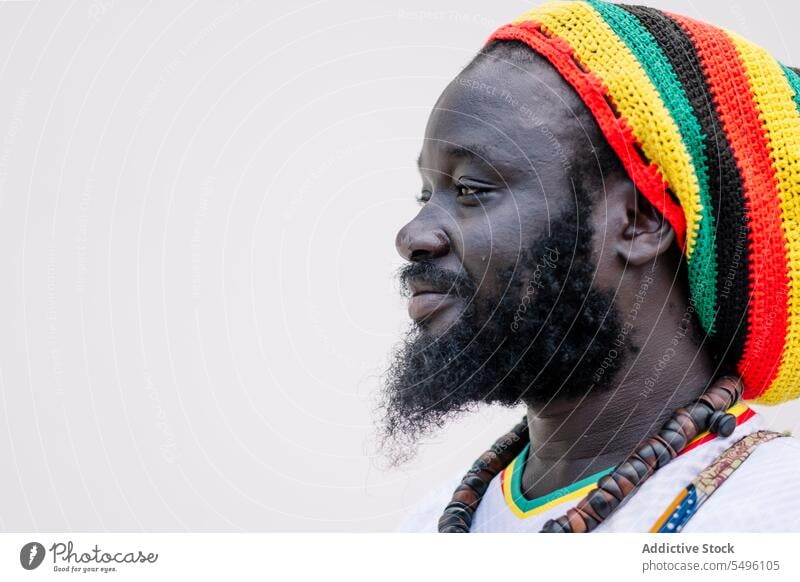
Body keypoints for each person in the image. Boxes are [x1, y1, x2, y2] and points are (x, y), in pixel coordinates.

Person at [379, 0, 800, 532]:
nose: (411, 236)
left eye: (470, 189)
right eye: (425, 194)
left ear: (639, 220)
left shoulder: (773, 514)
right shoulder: (427, 528)